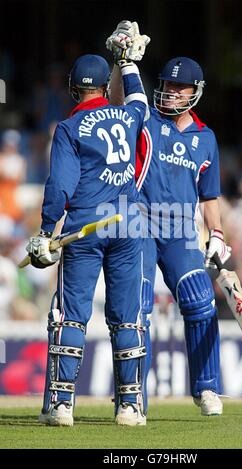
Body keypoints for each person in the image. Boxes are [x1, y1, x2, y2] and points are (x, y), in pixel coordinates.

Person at [107, 21, 232, 416]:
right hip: (138, 222)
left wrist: (217, 232)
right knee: (138, 307)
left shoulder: (205, 137)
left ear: (195, 92)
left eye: (180, 88)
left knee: (200, 302)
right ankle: (132, 397)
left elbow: (208, 194)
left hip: (180, 228)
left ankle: (207, 390)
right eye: (167, 85)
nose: (171, 92)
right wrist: (121, 61)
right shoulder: (144, 119)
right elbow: (116, 97)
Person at [25, 52, 149, 426]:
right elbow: (140, 98)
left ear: (72, 87)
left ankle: (62, 405)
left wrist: (47, 231)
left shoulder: (68, 127)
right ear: (106, 87)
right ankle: (130, 407)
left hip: (84, 226)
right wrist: (127, 62)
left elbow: (60, 185)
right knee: (127, 318)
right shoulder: (128, 115)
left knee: (71, 317)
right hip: (127, 224)